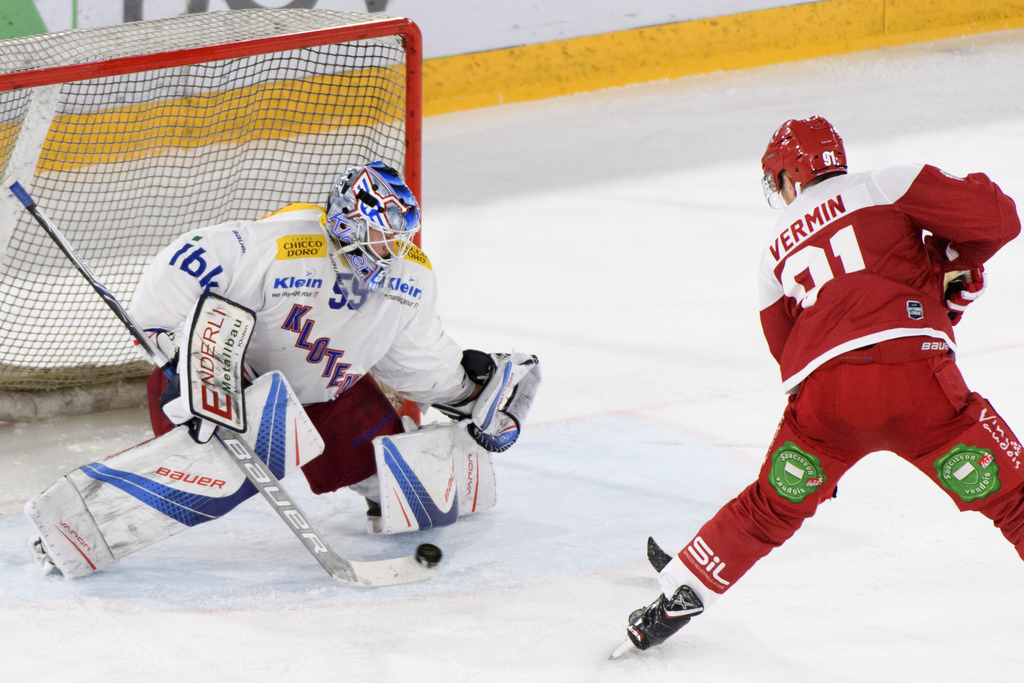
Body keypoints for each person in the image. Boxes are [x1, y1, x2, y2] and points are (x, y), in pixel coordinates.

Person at [621, 116, 1024, 652]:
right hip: (919, 382)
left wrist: (821, 452)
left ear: (790, 177)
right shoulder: (887, 183)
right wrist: (950, 259)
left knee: (770, 506)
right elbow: (999, 219)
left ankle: (680, 593)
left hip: (828, 404)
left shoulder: (773, 252)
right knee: (1015, 500)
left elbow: (789, 356)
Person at [25, 161, 541, 578]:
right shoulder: (283, 243)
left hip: (329, 395)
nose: (389, 253)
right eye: (378, 236)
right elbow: (187, 260)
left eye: (397, 240)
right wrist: (172, 346)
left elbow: (415, 359)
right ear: (345, 219)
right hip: (228, 384)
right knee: (203, 471)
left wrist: (469, 391)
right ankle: (77, 525)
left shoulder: (410, 280)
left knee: (419, 496)